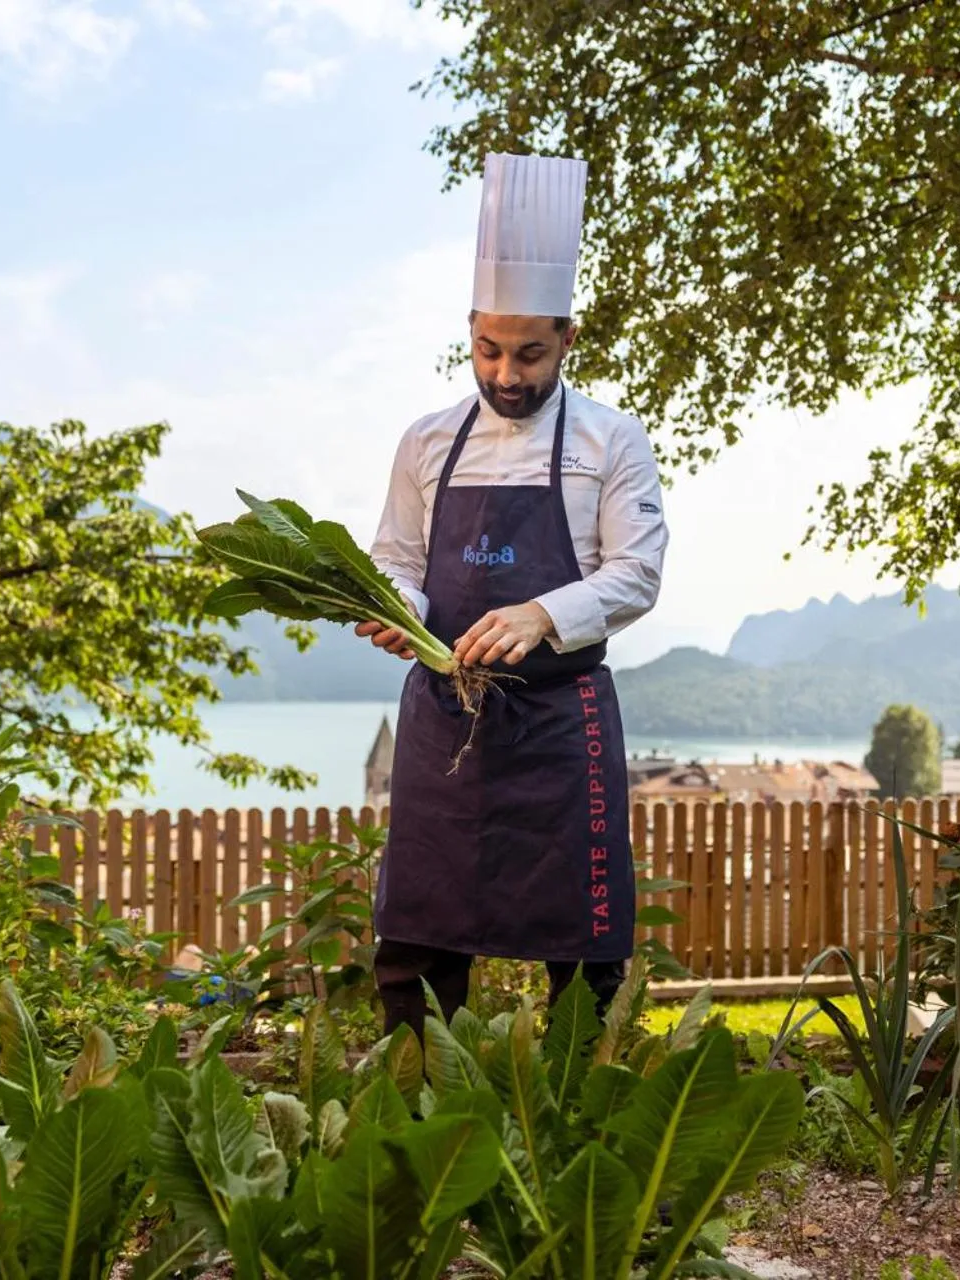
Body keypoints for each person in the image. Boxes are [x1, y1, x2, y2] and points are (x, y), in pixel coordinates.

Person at [359, 153, 669, 1039]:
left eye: (529, 353)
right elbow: (397, 561)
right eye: (488, 349)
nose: (505, 373)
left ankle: (584, 1120)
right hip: (444, 721)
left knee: (585, 951)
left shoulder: (613, 441)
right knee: (416, 941)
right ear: (470, 331)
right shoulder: (425, 442)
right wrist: (400, 611)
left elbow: (636, 572)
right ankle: (417, 1111)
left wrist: (542, 616)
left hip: (559, 723)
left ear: (569, 339)